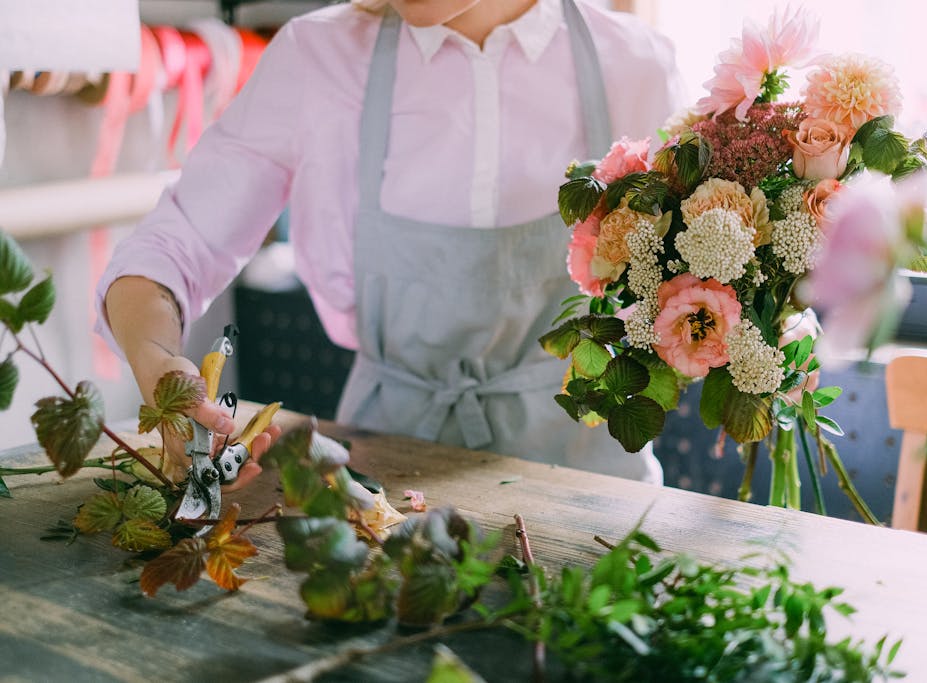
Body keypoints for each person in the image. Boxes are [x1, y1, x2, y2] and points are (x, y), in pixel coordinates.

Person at [98, 0, 683, 488]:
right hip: (384, 493)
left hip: (598, 499)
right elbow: (170, 249)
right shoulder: (316, 59)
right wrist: (159, 364)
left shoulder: (638, 67)